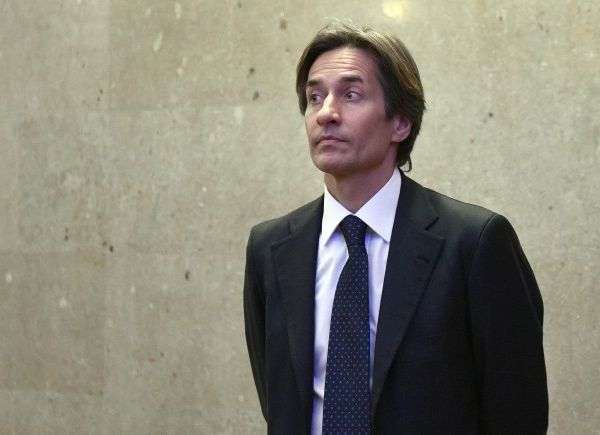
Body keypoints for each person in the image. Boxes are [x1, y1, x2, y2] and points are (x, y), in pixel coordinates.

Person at [243, 21, 548, 435]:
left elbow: (517, 410)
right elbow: (278, 402)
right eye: (315, 97)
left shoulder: (474, 242)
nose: (326, 113)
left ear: (401, 122)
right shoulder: (271, 247)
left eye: (351, 95)